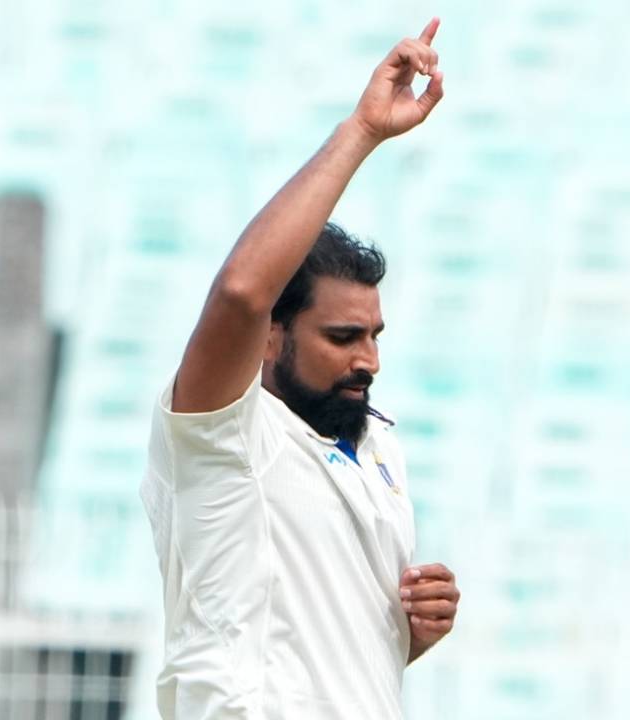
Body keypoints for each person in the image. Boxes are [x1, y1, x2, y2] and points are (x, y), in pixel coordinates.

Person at [141, 18, 461, 719]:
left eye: (375, 335)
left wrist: (409, 632)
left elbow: (318, 660)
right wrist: (363, 133)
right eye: (343, 336)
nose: (368, 360)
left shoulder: (376, 447)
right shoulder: (223, 436)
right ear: (268, 337)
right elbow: (240, 292)